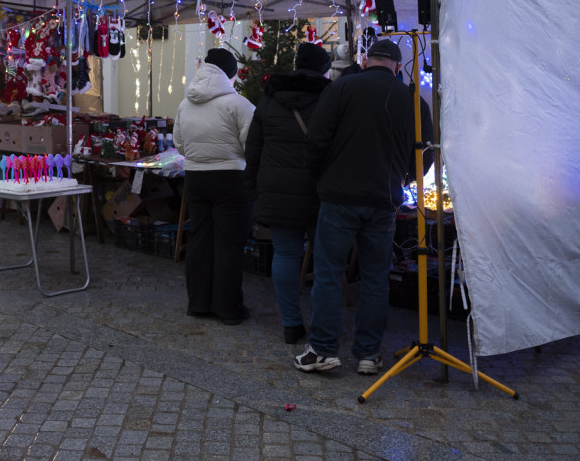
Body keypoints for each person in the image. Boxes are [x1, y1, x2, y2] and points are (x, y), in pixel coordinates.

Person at [295, 39, 414, 375]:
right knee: (376, 278)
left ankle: (323, 349)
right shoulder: (408, 97)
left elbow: (316, 139)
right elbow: (424, 151)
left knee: (329, 273)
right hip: (384, 198)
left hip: (339, 196)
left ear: (365, 60)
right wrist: (404, 180)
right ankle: (368, 354)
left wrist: (322, 177)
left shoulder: (342, 88)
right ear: (397, 65)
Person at [245, 43, 332, 344]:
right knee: (324, 260)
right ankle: (323, 329)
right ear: (324, 68)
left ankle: (291, 324)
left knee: (285, 253)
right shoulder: (331, 97)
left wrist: (253, 187)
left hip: (277, 188)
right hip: (320, 190)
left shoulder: (269, 99)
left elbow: (253, 147)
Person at [174, 48, 255, 325]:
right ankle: (229, 309)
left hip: (196, 177)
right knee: (228, 245)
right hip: (231, 179)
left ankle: (198, 303)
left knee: (199, 240)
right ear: (231, 74)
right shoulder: (239, 105)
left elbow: (179, 144)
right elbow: (252, 147)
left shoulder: (186, 103)